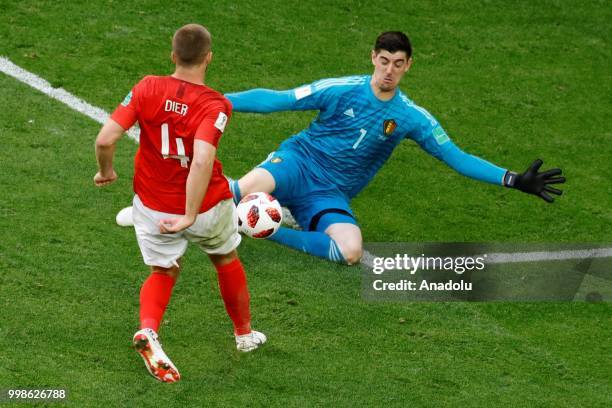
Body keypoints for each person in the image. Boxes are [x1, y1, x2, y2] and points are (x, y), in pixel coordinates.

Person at [222, 31, 565, 265]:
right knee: (245, 189)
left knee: (350, 250)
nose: (389, 70)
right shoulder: (341, 89)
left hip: (330, 194)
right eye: (384, 60)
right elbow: (279, 100)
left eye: (398, 63)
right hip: (297, 163)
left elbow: (456, 157)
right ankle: (202, 203)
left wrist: (513, 179)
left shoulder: (411, 117)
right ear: (373, 57)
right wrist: (218, 102)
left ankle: (262, 227)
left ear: (408, 65)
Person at [94, 24, 265, 383]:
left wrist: (105, 172)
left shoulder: (147, 87)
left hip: (153, 206)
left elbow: (106, 139)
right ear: (208, 58)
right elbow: (201, 161)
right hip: (205, 207)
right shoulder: (214, 104)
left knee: (163, 271)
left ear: (173, 56)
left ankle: (148, 330)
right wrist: (189, 214)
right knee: (225, 259)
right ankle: (245, 336)